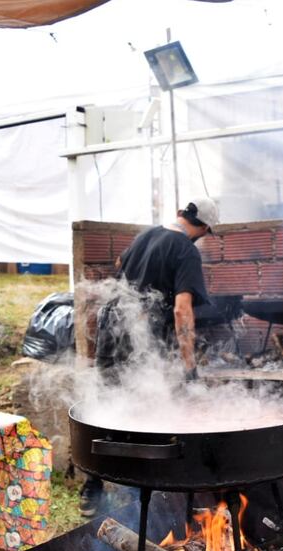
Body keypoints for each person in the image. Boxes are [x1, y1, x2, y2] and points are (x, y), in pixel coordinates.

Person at [80, 197, 220, 516]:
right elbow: (182, 310)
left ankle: (93, 488)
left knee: (107, 403)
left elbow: (120, 263)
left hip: (111, 325)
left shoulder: (146, 235)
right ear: (204, 229)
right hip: (140, 335)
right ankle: (142, 493)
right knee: (148, 406)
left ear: (181, 214)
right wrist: (189, 366)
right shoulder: (186, 250)